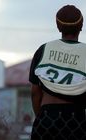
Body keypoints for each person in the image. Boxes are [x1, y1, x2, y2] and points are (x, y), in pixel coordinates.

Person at [29, 5, 86, 140]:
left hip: (48, 116)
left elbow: (34, 92)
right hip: (76, 118)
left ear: (58, 26)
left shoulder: (44, 49)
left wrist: (42, 116)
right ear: (81, 25)